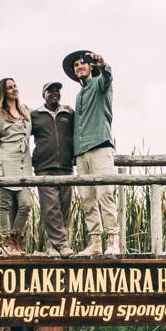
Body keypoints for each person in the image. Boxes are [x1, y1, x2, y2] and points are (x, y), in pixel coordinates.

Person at [61, 49, 120, 256]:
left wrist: (103, 65)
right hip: (81, 152)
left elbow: (107, 78)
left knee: (105, 193)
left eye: (82, 63)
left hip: (100, 146)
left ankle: (113, 240)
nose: (79, 67)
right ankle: (95, 242)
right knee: (87, 198)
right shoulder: (79, 95)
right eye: (76, 65)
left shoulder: (99, 84)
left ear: (91, 66)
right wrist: (72, 114)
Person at [31, 81, 75, 257]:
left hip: (66, 167)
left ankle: (52, 246)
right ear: (44, 95)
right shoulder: (35, 115)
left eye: (57, 91)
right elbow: (18, 123)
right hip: (44, 167)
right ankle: (63, 245)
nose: (55, 93)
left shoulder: (68, 115)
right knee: (51, 208)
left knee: (63, 209)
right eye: (51, 91)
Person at [0, 77, 33, 256]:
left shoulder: (25, 111)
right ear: (3, 92)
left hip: (24, 166)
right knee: (5, 204)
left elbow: (41, 115)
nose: (14, 89)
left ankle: (16, 238)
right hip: (6, 164)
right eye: (9, 88)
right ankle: (8, 243)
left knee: (26, 204)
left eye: (15, 86)